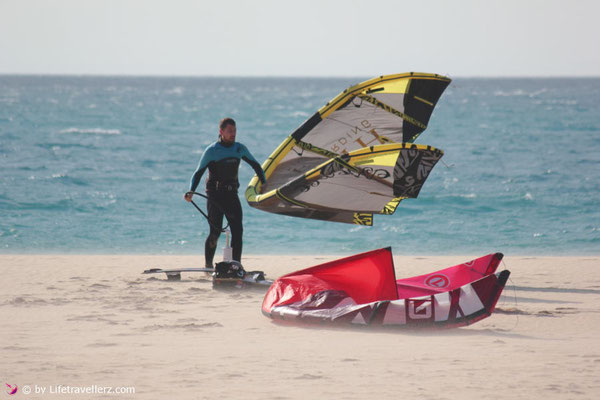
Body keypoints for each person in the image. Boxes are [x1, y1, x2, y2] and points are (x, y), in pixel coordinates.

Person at [184, 118, 266, 269]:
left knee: (238, 231)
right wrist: (191, 192)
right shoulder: (212, 150)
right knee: (215, 231)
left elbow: (256, 165)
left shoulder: (239, 149)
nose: (233, 134)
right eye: (230, 131)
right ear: (221, 132)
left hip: (231, 195)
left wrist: (264, 183)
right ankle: (208, 266)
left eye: (234, 131)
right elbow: (198, 173)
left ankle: (236, 266)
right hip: (215, 195)